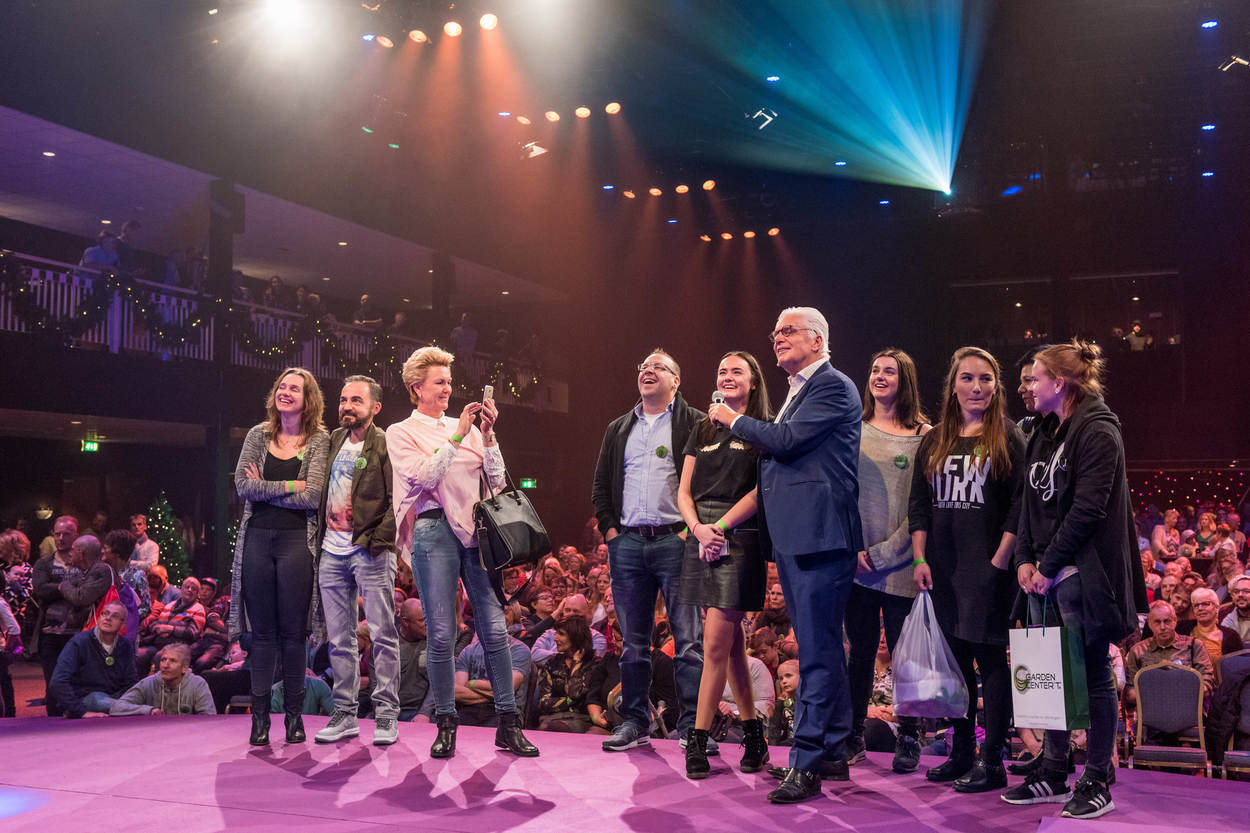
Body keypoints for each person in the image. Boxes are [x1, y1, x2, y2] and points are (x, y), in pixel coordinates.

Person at [708, 306, 863, 804]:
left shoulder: (832, 386)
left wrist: (735, 420)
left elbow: (788, 441)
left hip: (821, 537)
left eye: (788, 330)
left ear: (817, 340)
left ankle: (807, 762)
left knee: (815, 653)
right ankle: (832, 750)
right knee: (824, 650)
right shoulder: (799, 390)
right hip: (801, 538)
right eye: (774, 331)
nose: (777, 337)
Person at [1003, 340, 1147, 820]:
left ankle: (1097, 778)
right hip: (1043, 576)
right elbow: (1028, 504)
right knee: (1051, 676)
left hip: (1082, 575)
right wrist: (1024, 559)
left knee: (1093, 676)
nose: (1026, 386)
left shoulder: (1098, 429)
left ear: (1059, 383)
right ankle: (1053, 768)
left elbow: (1089, 509)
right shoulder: (1044, 431)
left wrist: (1048, 566)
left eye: (1034, 378)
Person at [386, 346, 538, 758]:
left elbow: (497, 480)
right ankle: (446, 724)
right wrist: (456, 436)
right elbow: (424, 476)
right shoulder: (402, 432)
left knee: (494, 629)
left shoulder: (468, 427)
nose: (448, 389)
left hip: (477, 531)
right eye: (439, 382)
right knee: (441, 634)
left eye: (450, 382)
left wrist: (487, 436)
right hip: (433, 530)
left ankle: (509, 724)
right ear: (417, 387)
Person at [911, 346, 1024, 793]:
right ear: (953, 385)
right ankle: (960, 753)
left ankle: (992, 759)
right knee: (955, 667)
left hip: (990, 570)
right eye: (967, 378)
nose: (976, 387)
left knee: (991, 662)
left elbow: (1020, 506)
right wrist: (920, 558)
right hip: (943, 570)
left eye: (985, 378)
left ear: (996, 386)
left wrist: (1000, 560)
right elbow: (918, 505)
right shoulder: (935, 439)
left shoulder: (1008, 436)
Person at [592, 349, 706, 756]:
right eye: (643, 366)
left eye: (658, 366)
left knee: (688, 641)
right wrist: (611, 532)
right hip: (628, 543)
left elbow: (709, 484)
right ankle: (635, 722)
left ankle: (693, 728)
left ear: (676, 380)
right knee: (633, 644)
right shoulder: (619, 428)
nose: (648, 370)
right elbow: (601, 486)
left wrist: (689, 532)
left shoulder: (695, 423)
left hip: (675, 540)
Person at [676, 351, 773, 779]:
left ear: (753, 383)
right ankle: (755, 736)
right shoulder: (702, 428)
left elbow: (760, 491)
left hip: (739, 537)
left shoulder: (761, 428)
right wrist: (698, 529)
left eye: (736, 371)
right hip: (702, 538)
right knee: (731, 646)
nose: (727, 376)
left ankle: (697, 738)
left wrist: (720, 527)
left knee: (715, 644)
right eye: (721, 371)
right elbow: (683, 491)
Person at [229, 367, 330, 746]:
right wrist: (290, 484)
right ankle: (259, 719)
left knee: (293, 633)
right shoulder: (258, 435)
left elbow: (312, 495)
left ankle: (293, 717)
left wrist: (266, 488)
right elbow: (243, 486)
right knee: (263, 634)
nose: (286, 392)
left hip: (295, 541)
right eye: (282, 387)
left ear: (308, 399)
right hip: (257, 539)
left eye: (295, 388)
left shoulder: (318, 440)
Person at [847, 348, 931, 775]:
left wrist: (881, 555)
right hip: (857, 568)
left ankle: (910, 736)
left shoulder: (925, 436)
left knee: (905, 656)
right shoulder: (852, 429)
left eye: (890, 372)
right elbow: (842, 496)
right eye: (875, 369)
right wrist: (853, 551)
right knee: (860, 653)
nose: (879, 376)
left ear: (906, 380)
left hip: (900, 567)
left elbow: (921, 509)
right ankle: (852, 735)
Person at [312, 376, 402, 747]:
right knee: (339, 640)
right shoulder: (332, 439)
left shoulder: (385, 443)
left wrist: (377, 542)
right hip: (331, 552)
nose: (347, 406)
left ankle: (386, 714)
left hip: (370, 551)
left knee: (382, 635)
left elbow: (399, 498)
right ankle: (345, 713)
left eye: (356, 400)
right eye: (343, 399)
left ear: (375, 407)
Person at [48, 600, 138, 718]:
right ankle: (132, 709)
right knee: (98, 700)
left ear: (122, 625)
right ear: (99, 617)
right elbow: (58, 681)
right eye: (105, 613)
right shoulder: (79, 642)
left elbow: (131, 682)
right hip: (86, 699)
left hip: (114, 697)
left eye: (115, 616)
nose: (108, 618)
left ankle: (127, 707)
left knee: (143, 689)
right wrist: (81, 711)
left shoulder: (125, 645)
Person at [1124, 600, 1214, 706]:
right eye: (1157, 622)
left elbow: (1207, 683)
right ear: (1150, 624)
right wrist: (1161, 695)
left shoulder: (1194, 645)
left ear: (1175, 621)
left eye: (1167, 621)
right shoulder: (1137, 650)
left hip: (1187, 706)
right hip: (1152, 709)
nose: (1162, 627)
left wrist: (1177, 693)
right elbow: (1130, 693)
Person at [31, 515, 78, 715]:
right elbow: (40, 589)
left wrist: (57, 588)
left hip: (78, 632)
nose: (60, 538)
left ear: (75, 535)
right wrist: (68, 587)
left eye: (66, 534)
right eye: (57, 534)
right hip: (50, 633)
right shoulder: (44, 564)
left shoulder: (83, 563)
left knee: (76, 682)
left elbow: (90, 589)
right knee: (53, 684)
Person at [535, 615, 603, 732]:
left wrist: (576, 664)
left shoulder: (594, 664)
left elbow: (574, 693)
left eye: (561, 634)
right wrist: (569, 701)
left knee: (554, 728)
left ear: (575, 637)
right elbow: (543, 703)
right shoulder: (553, 663)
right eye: (556, 633)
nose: (555, 638)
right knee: (548, 727)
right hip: (551, 718)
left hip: (581, 719)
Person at [110, 643, 216, 716]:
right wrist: (148, 710)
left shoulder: (198, 684)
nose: (165, 665)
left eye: (173, 661)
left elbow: (209, 717)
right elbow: (116, 707)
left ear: (184, 668)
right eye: (163, 660)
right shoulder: (149, 682)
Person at [135, 577, 206, 676]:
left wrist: (171, 629)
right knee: (138, 655)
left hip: (179, 646)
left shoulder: (198, 609)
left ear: (197, 593)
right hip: (158, 642)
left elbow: (193, 633)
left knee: (160, 657)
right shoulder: (169, 605)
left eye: (193, 589)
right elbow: (156, 623)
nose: (190, 590)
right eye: (187, 587)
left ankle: (154, 685)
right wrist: (159, 629)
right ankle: (136, 683)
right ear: (181, 589)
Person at [1180, 587, 1242, 676]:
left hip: (1220, 684)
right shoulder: (1181, 629)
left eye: (1205, 604)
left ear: (1216, 608)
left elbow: (1237, 671)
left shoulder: (1231, 637)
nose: (1200, 608)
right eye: (1196, 605)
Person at [1222, 574, 1250, 641]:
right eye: (1236, 592)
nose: (1240, 595)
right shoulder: (1228, 622)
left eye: (1246, 591)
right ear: (1232, 596)